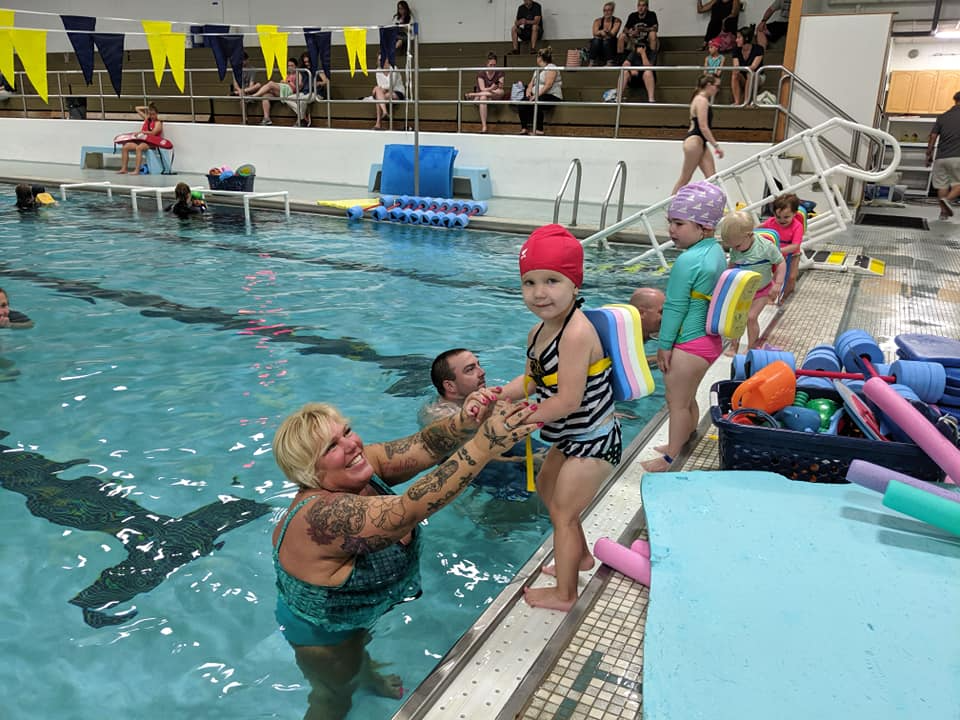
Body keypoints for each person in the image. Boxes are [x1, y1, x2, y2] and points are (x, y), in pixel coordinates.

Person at [271, 395, 538, 720]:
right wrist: (483, 445)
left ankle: (368, 677)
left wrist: (465, 423)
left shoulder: (360, 468)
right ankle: (348, 687)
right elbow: (405, 510)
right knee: (333, 697)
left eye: (347, 431)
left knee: (360, 648)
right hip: (323, 634)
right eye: (331, 447)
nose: (352, 444)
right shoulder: (320, 516)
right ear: (308, 471)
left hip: (356, 611)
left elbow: (425, 444)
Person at [500, 224, 621, 612]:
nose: (539, 293)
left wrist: (522, 420)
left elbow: (568, 400)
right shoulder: (539, 331)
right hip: (568, 438)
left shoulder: (575, 334)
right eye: (529, 282)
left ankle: (566, 594)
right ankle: (580, 558)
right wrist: (497, 396)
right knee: (551, 499)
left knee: (565, 515)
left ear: (574, 284)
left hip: (595, 439)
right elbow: (533, 380)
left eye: (552, 280)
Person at [641, 182, 727, 473]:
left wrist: (664, 345)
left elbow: (675, 308)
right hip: (708, 341)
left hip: (688, 342)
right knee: (688, 398)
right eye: (670, 223)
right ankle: (686, 437)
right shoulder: (714, 251)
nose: (671, 230)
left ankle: (670, 458)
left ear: (703, 226)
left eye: (678, 223)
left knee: (676, 403)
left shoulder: (688, 261)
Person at [419, 348, 544, 501]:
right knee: (527, 492)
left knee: (551, 457)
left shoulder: (483, 395)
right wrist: (523, 461)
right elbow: (473, 455)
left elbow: (525, 393)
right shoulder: (440, 416)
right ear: (450, 386)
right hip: (472, 462)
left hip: (495, 445)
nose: (482, 372)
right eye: (470, 369)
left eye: (478, 364)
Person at [719, 211, 785, 354]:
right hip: (742, 289)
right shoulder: (737, 247)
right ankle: (733, 346)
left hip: (762, 289)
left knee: (751, 317)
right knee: (736, 319)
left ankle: (752, 347)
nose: (734, 249)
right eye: (732, 247)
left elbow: (780, 263)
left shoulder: (765, 247)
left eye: (737, 246)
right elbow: (733, 263)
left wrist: (778, 284)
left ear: (749, 235)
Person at [672, 74, 723, 194]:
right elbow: (703, 127)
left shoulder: (699, 99)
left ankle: (714, 208)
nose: (718, 89)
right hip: (695, 141)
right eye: (717, 86)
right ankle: (669, 208)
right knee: (685, 177)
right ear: (709, 85)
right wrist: (716, 146)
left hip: (700, 142)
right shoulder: (701, 100)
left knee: (712, 177)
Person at [610, 1, 659, 103]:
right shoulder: (634, 51)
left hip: (646, 73)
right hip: (634, 41)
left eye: (643, 6)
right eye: (639, 6)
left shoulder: (651, 15)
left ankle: (651, 100)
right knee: (622, 36)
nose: (640, 8)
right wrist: (631, 33)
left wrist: (643, 53)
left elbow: (655, 28)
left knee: (647, 73)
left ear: (647, 7)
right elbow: (626, 64)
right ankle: (618, 99)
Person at [760, 192, 804, 300]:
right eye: (778, 216)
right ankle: (771, 298)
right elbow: (756, 229)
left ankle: (787, 295)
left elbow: (795, 246)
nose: (782, 220)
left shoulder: (797, 226)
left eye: (786, 217)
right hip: (777, 256)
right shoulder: (772, 222)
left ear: (794, 214)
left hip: (792, 255)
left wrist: (778, 250)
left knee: (791, 277)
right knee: (775, 276)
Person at [926, 90, 960, 221]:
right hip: (958, 157)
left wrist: (928, 154)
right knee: (958, 184)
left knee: (942, 185)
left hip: (941, 158)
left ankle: (943, 214)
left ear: (955, 100)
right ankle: (948, 200)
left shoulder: (943, 116)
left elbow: (933, 137)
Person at [517, 47, 562, 136]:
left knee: (537, 102)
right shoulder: (537, 70)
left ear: (540, 58)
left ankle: (539, 129)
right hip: (536, 94)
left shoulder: (551, 67)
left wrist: (536, 95)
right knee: (522, 103)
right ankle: (524, 128)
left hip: (551, 95)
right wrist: (528, 92)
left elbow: (548, 85)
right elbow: (531, 83)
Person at [250, 58, 302, 126]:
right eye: (288, 66)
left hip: (290, 91)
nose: (290, 67)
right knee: (265, 96)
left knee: (271, 83)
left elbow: (298, 87)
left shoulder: (298, 74)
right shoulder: (287, 74)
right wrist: (282, 81)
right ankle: (266, 119)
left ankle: (254, 96)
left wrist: (288, 82)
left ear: (296, 66)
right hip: (282, 90)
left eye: (292, 65)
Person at [465, 52, 505, 134]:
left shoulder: (500, 72)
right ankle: (484, 126)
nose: (493, 67)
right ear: (486, 64)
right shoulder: (481, 73)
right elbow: (482, 89)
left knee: (501, 91)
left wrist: (492, 90)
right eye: (491, 65)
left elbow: (500, 87)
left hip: (494, 95)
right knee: (483, 97)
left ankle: (472, 94)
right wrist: (491, 88)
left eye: (494, 65)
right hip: (483, 95)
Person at [118, 103, 163, 174]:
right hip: (142, 141)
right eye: (150, 114)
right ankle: (124, 169)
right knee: (125, 147)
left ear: (157, 114)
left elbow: (153, 133)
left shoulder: (158, 123)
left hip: (152, 143)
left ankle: (137, 170)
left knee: (139, 148)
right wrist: (148, 107)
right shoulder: (147, 119)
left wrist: (142, 132)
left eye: (153, 114)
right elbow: (137, 108)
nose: (152, 116)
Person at [730, 25, 763, 106]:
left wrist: (741, 68)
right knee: (735, 73)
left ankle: (746, 102)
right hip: (743, 76)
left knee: (750, 73)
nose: (736, 40)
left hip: (757, 76)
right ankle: (737, 102)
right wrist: (737, 69)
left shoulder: (758, 49)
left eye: (739, 38)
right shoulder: (736, 50)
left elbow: (753, 66)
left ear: (746, 38)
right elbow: (736, 65)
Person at [372, 52, 406, 130]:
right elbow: (380, 85)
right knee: (378, 90)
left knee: (378, 94)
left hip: (397, 91)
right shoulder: (378, 70)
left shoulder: (394, 68)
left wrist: (380, 89)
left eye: (381, 59)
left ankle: (378, 123)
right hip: (384, 93)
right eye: (379, 60)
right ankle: (385, 112)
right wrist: (380, 89)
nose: (380, 61)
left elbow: (391, 85)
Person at [589, 3, 622, 67]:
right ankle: (592, 61)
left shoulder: (617, 21)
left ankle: (610, 62)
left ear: (612, 11)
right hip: (600, 44)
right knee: (596, 40)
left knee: (606, 40)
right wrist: (602, 31)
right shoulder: (598, 21)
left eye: (608, 10)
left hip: (611, 44)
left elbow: (613, 34)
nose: (606, 12)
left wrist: (607, 32)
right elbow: (594, 33)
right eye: (604, 10)